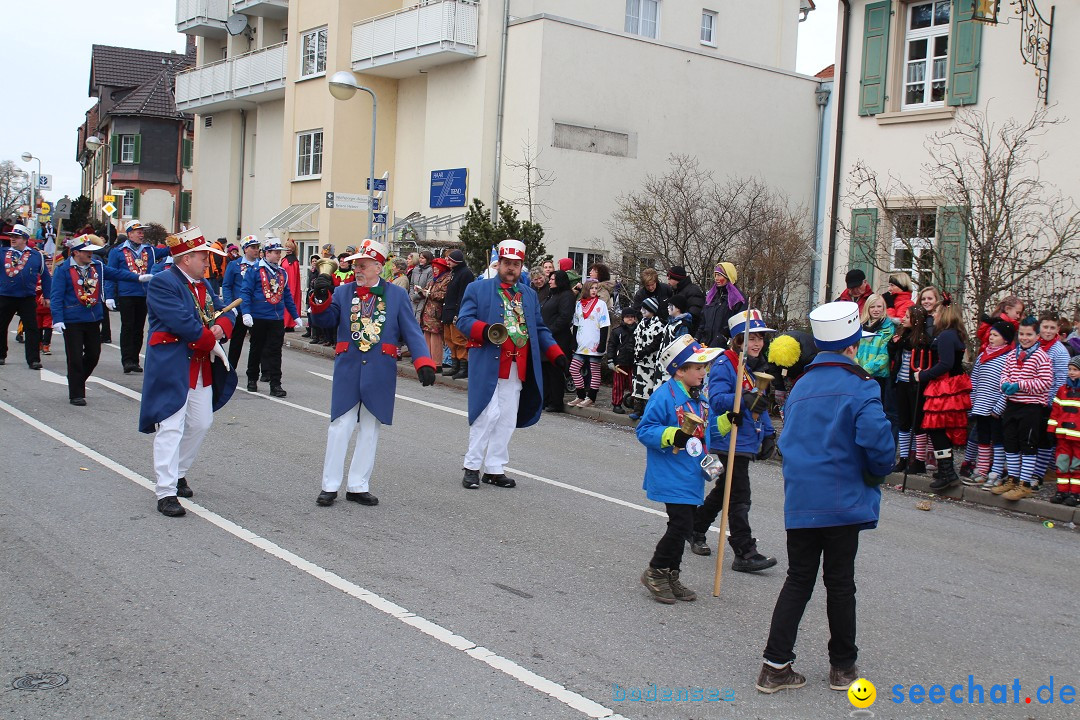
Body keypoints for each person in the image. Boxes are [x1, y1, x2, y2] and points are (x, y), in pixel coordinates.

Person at [755, 301, 893, 695]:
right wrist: (875, 473)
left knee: (798, 581)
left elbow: (789, 444)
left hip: (802, 499)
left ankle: (775, 664)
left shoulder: (800, 387)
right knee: (840, 583)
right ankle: (842, 667)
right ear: (852, 347)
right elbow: (878, 444)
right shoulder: (862, 385)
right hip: (843, 499)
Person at [307, 239, 437, 507]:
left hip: (380, 369)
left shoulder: (397, 294)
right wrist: (320, 299)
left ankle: (358, 485)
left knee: (370, 428)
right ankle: (329, 486)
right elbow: (326, 321)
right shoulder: (343, 293)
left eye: (363, 265)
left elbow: (411, 330)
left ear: (378, 267)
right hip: (348, 367)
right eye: (356, 265)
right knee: (340, 426)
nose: (358, 270)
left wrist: (424, 360)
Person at [139, 227, 237, 517]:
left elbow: (224, 311)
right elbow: (181, 322)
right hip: (172, 363)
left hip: (198, 364)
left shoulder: (203, 285)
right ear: (186, 258)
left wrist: (222, 328)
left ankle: (178, 471)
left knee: (201, 422)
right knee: (170, 426)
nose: (207, 262)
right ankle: (166, 491)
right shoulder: (163, 283)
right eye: (203, 256)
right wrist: (211, 339)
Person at [457, 239, 567, 490]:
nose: (511, 268)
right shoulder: (478, 289)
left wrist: (555, 353)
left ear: (521, 266)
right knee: (486, 414)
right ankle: (472, 466)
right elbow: (463, 320)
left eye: (516, 264)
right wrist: (487, 330)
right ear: (499, 264)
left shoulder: (528, 294)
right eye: (507, 263)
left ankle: (495, 468)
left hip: (517, 365)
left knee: (506, 417)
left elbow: (538, 328)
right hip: (488, 362)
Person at [636, 334, 723, 604]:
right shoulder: (665, 396)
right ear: (680, 370)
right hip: (670, 473)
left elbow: (706, 433)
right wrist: (672, 435)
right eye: (697, 367)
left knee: (682, 526)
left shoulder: (700, 397)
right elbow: (645, 430)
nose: (703, 372)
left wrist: (729, 422)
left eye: (704, 367)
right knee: (681, 525)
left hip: (691, 474)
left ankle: (671, 574)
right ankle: (655, 571)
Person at [690, 310, 778, 572]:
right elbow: (717, 400)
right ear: (738, 339)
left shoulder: (752, 368)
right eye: (752, 338)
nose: (757, 343)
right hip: (728, 438)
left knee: (724, 491)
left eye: (761, 338)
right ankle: (744, 551)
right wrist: (742, 399)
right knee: (740, 495)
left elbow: (758, 405)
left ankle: (695, 527)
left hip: (746, 439)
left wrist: (770, 434)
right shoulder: (723, 364)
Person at [50, 233, 149, 404]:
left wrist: (138, 277)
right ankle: (77, 393)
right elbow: (57, 296)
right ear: (75, 252)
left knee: (93, 354)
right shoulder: (63, 270)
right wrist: (57, 319)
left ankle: (77, 379)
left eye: (91, 251)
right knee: (74, 356)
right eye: (86, 251)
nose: (90, 254)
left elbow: (118, 273)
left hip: (93, 318)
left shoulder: (98, 266)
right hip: (72, 320)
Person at [913, 296, 972, 491]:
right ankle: (944, 469)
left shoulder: (947, 336)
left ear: (944, 314)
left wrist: (924, 375)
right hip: (950, 385)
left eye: (936, 312)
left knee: (937, 428)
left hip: (946, 387)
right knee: (940, 428)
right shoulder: (954, 334)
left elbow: (945, 363)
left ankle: (947, 472)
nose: (934, 316)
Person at [992, 316, 1054, 500]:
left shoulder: (1041, 356)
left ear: (1037, 336)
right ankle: (1012, 477)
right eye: (1022, 334)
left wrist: (1020, 385)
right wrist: (1005, 384)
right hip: (1012, 404)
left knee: (1028, 444)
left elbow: (1045, 382)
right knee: (1010, 443)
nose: (1025, 338)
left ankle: (1025, 483)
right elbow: (1005, 373)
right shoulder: (1013, 354)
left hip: (1031, 407)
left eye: (1029, 334)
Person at [239, 236, 300, 398]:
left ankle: (275, 384)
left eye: (279, 252)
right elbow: (245, 292)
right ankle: (252, 378)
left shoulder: (281, 273)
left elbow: (287, 295)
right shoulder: (254, 271)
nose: (278, 255)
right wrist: (246, 312)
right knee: (256, 348)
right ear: (266, 253)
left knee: (275, 351)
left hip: (276, 318)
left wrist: (295, 316)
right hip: (258, 316)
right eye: (275, 252)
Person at [106, 220, 166, 373]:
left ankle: (135, 360)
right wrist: (109, 295)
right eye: (138, 231)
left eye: (142, 231)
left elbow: (169, 251)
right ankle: (127, 360)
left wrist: (181, 241)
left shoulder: (149, 250)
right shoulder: (118, 251)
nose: (141, 234)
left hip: (143, 294)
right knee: (128, 326)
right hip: (126, 293)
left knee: (139, 328)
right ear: (129, 234)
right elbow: (110, 274)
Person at [969, 321, 1014, 490]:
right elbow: (975, 379)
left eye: (995, 335)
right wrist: (972, 400)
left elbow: (1007, 384)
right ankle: (982, 469)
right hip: (981, 404)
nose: (991, 337)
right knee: (983, 438)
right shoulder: (983, 355)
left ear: (1006, 339)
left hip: (995, 408)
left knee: (997, 439)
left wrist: (999, 406)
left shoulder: (1008, 357)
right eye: (991, 334)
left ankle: (996, 471)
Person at [0, 224, 50, 369]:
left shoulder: (36, 256)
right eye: (12, 237)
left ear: (25, 239)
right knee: (1, 326)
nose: (13, 239)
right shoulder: (3, 253)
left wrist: (47, 295)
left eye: (16, 237)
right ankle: (1, 354)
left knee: (32, 328)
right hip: (5, 295)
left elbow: (45, 276)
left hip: (26, 297)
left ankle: (33, 359)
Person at [1033, 312, 1072, 483]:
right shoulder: (1035, 345)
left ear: (1057, 329)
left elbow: (1061, 379)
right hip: (1032, 399)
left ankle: (1039, 473)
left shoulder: (1059, 351)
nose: (1048, 331)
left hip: (1048, 402)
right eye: (1045, 327)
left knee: (1045, 439)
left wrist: (1050, 402)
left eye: (1052, 328)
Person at [855, 294, 897, 433]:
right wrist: (857, 367)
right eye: (873, 306)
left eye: (879, 306)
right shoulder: (860, 326)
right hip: (861, 374)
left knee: (878, 410)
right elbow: (854, 349)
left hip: (878, 375)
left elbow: (884, 356)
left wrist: (866, 369)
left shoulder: (888, 327)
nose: (876, 310)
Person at [568, 279, 610, 408]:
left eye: (596, 288)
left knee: (594, 371)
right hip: (581, 343)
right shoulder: (579, 304)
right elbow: (576, 324)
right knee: (574, 369)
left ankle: (591, 397)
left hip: (595, 343)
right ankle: (580, 395)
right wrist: (573, 342)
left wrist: (602, 343)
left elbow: (605, 325)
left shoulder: (601, 304)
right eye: (591, 288)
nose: (594, 290)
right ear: (586, 289)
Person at [223, 235, 261, 371]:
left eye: (257, 248)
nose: (256, 250)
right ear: (245, 249)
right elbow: (227, 286)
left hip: (256, 309)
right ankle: (230, 367)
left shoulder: (261, 266)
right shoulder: (234, 265)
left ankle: (257, 370)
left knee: (257, 341)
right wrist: (229, 305)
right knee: (237, 341)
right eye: (253, 248)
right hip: (239, 309)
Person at [1047, 355, 1080, 506]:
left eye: (1075, 370)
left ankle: (1075, 493)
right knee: (1062, 463)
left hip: (1077, 438)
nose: (1072, 372)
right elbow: (1055, 411)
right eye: (1070, 369)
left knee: (1076, 466)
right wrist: (1051, 429)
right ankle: (1062, 491)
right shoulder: (1062, 390)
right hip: (1063, 436)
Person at [540, 269, 575, 412]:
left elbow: (564, 317)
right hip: (547, 338)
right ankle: (546, 399)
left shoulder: (566, 296)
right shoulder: (552, 295)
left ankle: (556, 402)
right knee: (546, 372)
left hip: (558, 338)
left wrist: (549, 330)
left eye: (553, 279)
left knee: (555, 372)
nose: (549, 281)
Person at [630, 296, 666, 420]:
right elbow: (635, 337)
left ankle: (647, 411)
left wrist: (645, 352)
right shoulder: (641, 323)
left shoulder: (659, 324)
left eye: (645, 309)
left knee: (649, 386)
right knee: (638, 385)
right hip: (639, 360)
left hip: (650, 361)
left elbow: (656, 343)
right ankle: (637, 409)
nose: (642, 311)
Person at [442, 249, 475, 379]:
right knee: (450, 340)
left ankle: (464, 366)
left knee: (459, 340)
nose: (447, 262)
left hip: (456, 312)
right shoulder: (454, 273)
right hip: (448, 311)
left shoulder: (465, 274)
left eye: (449, 260)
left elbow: (462, 295)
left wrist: (459, 312)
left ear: (456, 261)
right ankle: (455, 365)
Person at [699, 262, 746, 347]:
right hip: (705, 345)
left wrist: (722, 337)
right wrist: (697, 338)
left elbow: (738, 324)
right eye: (715, 275)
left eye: (720, 275)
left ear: (728, 276)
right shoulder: (711, 296)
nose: (716, 278)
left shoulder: (738, 298)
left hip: (724, 348)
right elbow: (703, 321)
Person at [419, 257, 451, 367]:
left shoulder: (446, 279)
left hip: (436, 312)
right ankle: (427, 360)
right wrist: (421, 291)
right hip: (428, 312)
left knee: (435, 337)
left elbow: (444, 295)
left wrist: (429, 294)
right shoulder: (434, 279)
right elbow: (428, 291)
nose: (435, 270)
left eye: (437, 268)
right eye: (433, 268)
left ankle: (437, 363)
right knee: (426, 335)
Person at [606, 307, 638, 414]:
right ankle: (617, 404)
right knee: (618, 385)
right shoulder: (617, 331)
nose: (630, 319)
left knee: (634, 385)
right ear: (623, 318)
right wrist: (610, 360)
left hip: (634, 362)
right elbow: (611, 346)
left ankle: (635, 404)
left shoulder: (639, 330)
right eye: (627, 317)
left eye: (632, 317)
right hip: (619, 363)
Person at [665, 266, 705, 334]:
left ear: (676, 279)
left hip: (688, 331)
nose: (668, 281)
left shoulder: (693, 291)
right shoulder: (676, 291)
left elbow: (695, 312)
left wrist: (681, 321)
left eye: (669, 278)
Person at [281, 238, 303, 332]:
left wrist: (291, 289)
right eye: (286, 247)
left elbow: (293, 278)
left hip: (289, 285)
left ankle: (289, 323)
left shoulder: (293, 261)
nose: (287, 249)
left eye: (289, 247)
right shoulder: (285, 259)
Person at [409, 251, 434, 321]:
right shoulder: (415, 269)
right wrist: (411, 295)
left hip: (423, 300)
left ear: (428, 259)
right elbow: (411, 284)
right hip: (413, 299)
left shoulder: (430, 270)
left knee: (419, 319)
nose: (420, 260)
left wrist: (418, 295)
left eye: (422, 258)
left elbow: (428, 286)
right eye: (420, 258)